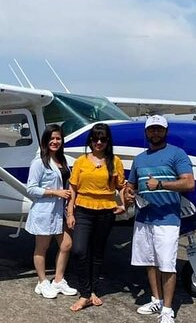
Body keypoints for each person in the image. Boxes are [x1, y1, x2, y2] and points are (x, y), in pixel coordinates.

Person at [124, 115, 195, 323]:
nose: (155, 133)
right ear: (146, 132)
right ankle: (156, 299)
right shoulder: (140, 159)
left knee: (167, 265)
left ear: (165, 131)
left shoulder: (177, 154)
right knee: (150, 261)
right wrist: (128, 194)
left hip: (167, 219)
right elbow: (132, 185)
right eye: (151, 130)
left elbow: (189, 183)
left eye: (159, 129)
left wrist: (161, 184)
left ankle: (167, 310)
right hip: (144, 218)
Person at [66, 123, 126, 311]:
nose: (99, 142)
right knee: (79, 250)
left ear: (108, 141)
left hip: (106, 211)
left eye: (103, 139)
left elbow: (121, 186)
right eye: (95, 139)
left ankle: (92, 292)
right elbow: (73, 188)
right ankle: (84, 293)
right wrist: (70, 213)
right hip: (83, 210)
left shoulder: (114, 161)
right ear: (90, 141)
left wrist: (124, 204)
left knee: (97, 252)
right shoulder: (81, 162)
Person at [25, 124, 77, 298]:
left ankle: (58, 280)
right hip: (44, 211)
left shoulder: (62, 161)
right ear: (45, 141)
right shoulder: (39, 162)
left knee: (66, 244)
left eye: (58, 138)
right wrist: (55, 192)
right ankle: (42, 282)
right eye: (52, 138)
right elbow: (31, 189)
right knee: (42, 247)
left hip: (59, 211)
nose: (55, 142)